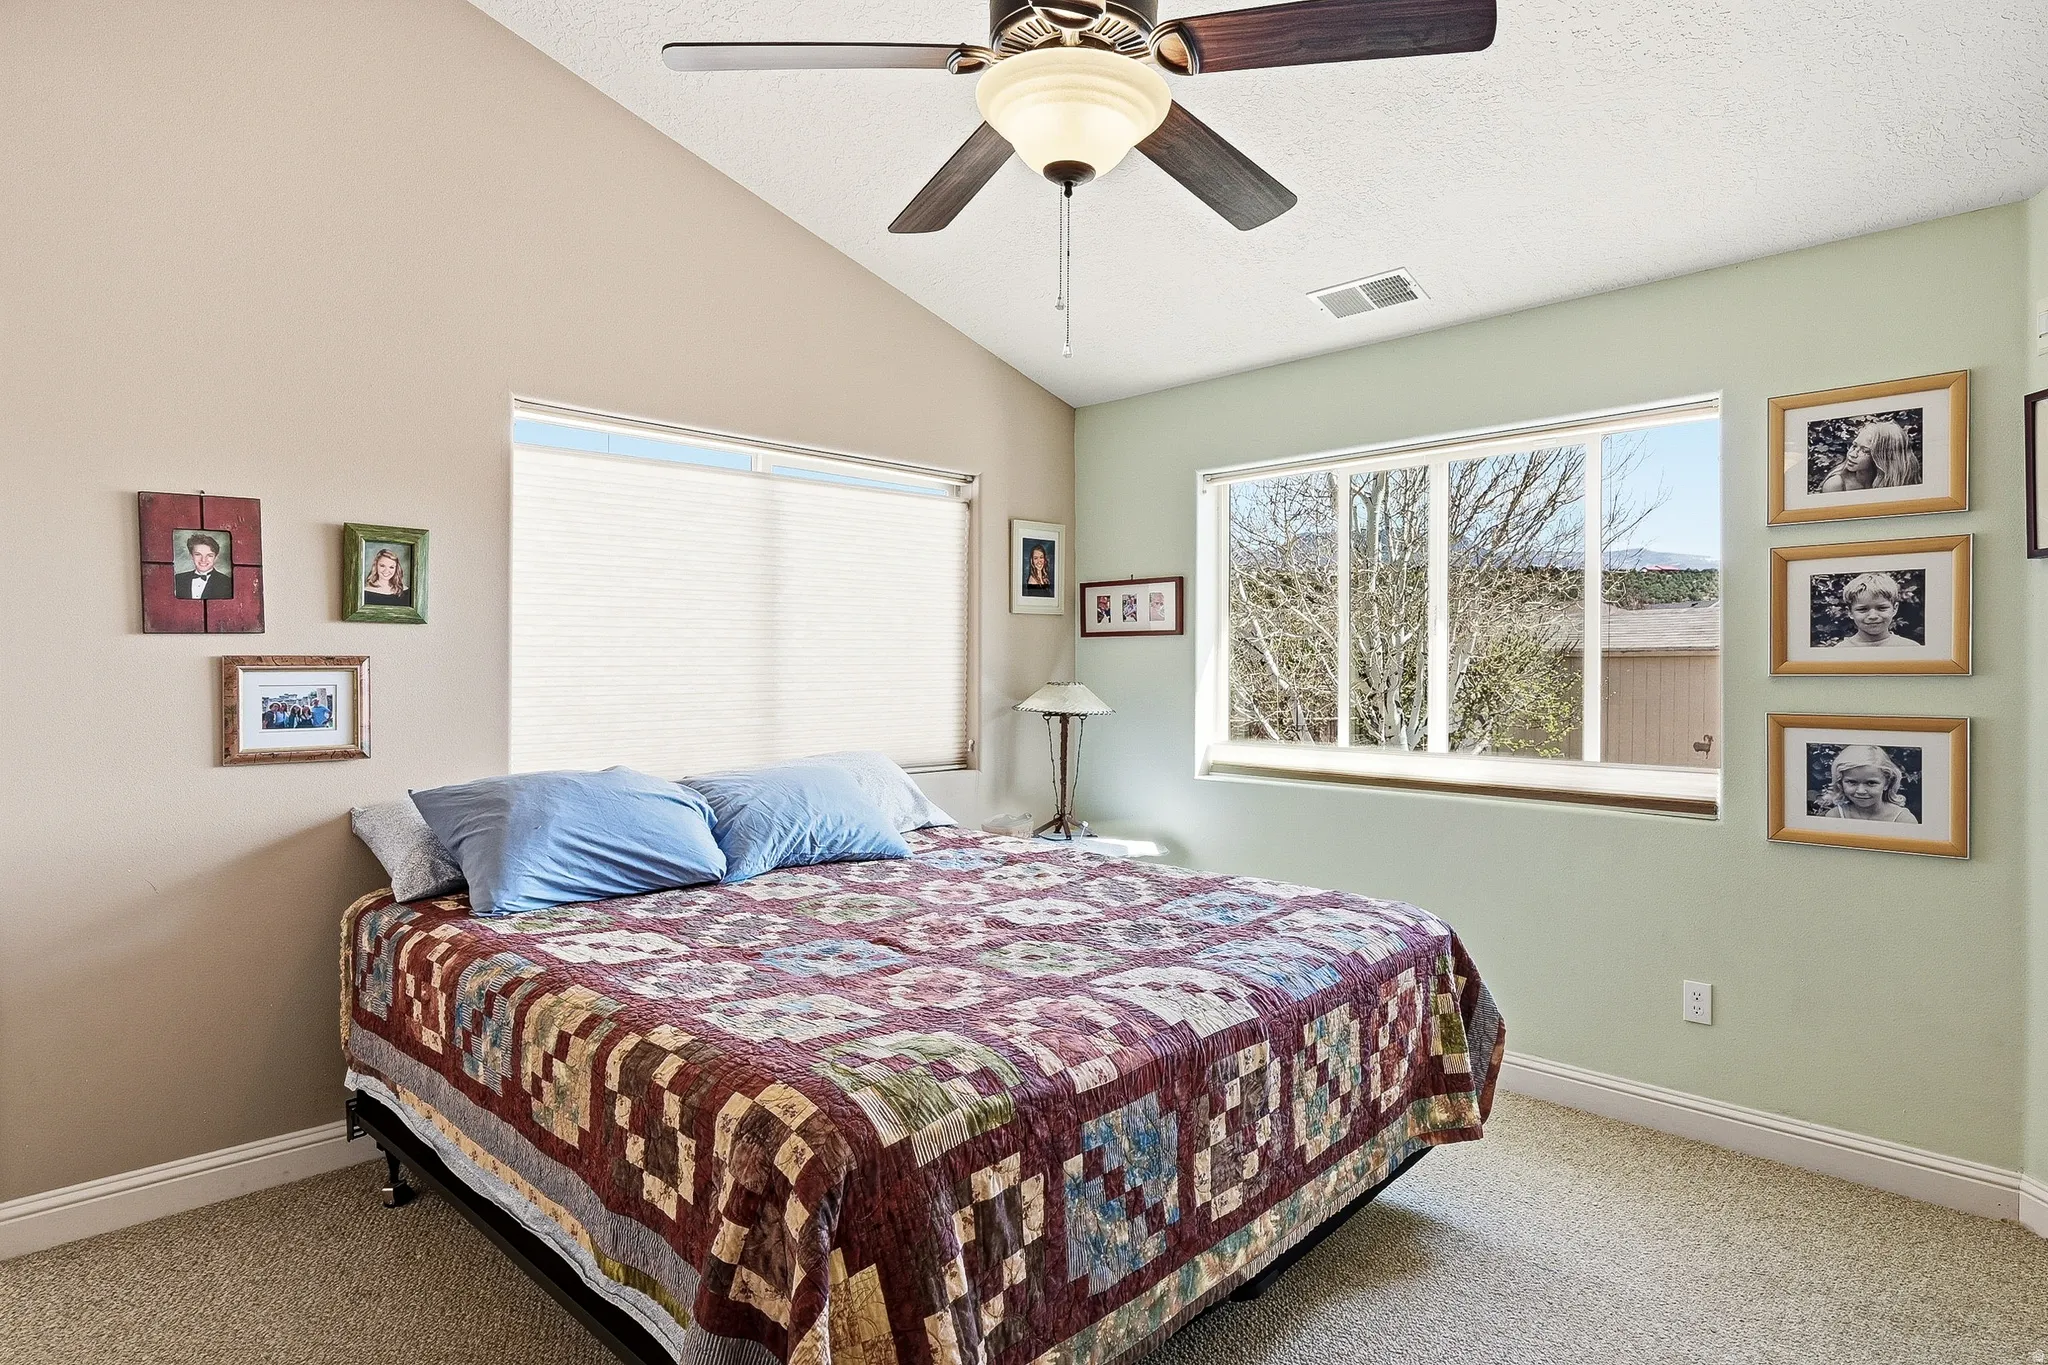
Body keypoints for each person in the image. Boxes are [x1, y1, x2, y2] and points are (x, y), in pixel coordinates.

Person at [1819, 745, 1919, 824]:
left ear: (1887, 783)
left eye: (1871, 783)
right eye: (1852, 782)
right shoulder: (1836, 815)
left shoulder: (1902, 819)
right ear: (1840, 782)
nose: (1861, 791)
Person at [1819, 420, 1918, 494]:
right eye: (1854, 445)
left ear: (1883, 457)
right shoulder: (1836, 485)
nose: (1852, 454)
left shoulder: (1896, 482)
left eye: (1865, 451)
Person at [1826, 572, 1920, 648]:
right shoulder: (1841, 650)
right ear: (1850, 612)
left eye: (1882, 608)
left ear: (1895, 608)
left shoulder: (1910, 647)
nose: (1873, 616)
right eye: (1863, 609)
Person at [175, 533, 234, 600]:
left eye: (209, 555)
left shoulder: (227, 582)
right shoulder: (178, 579)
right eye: (198, 554)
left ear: (216, 557)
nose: (203, 560)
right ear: (191, 556)